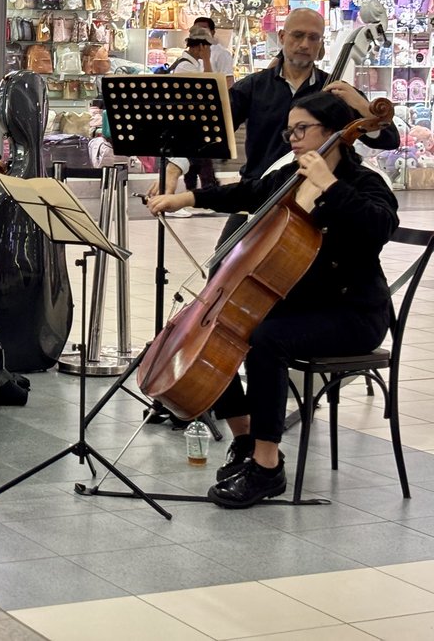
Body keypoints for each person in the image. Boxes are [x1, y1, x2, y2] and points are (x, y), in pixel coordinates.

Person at [148, 92, 398, 507]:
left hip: (351, 312)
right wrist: (186, 198)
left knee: (267, 339)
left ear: (334, 132)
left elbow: (380, 226)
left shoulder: (364, 182)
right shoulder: (291, 178)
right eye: (290, 131)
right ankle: (247, 439)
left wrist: (330, 185)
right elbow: (247, 192)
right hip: (304, 304)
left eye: (302, 129)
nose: (293, 139)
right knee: (222, 330)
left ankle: (267, 468)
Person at [158, 9, 399, 236]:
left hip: (317, 198)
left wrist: (364, 108)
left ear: (321, 45)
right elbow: (212, 132)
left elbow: (389, 140)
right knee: (222, 269)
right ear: (282, 37)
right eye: (298, 35)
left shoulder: (336, 92)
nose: (305, 44)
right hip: (258, 193)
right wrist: (175, 167)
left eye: (314, 38)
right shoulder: (254, 87)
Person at [170, 26, 218, 202]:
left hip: (192, 122)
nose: (210, 51)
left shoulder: (191, 64)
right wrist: (207, 60)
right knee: (198, 159)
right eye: (208, 47)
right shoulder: (185, 67)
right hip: (188, 124)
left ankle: (202, 192)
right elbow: (209, 85)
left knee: (198, 160)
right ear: (200, 46)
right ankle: (207, 191)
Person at [191, 16, 234, 85]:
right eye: (196, 30)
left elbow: (228, 81)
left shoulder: (222, 54)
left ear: (212, 32)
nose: (199, 32)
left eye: (203, 30)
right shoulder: (193, 52)